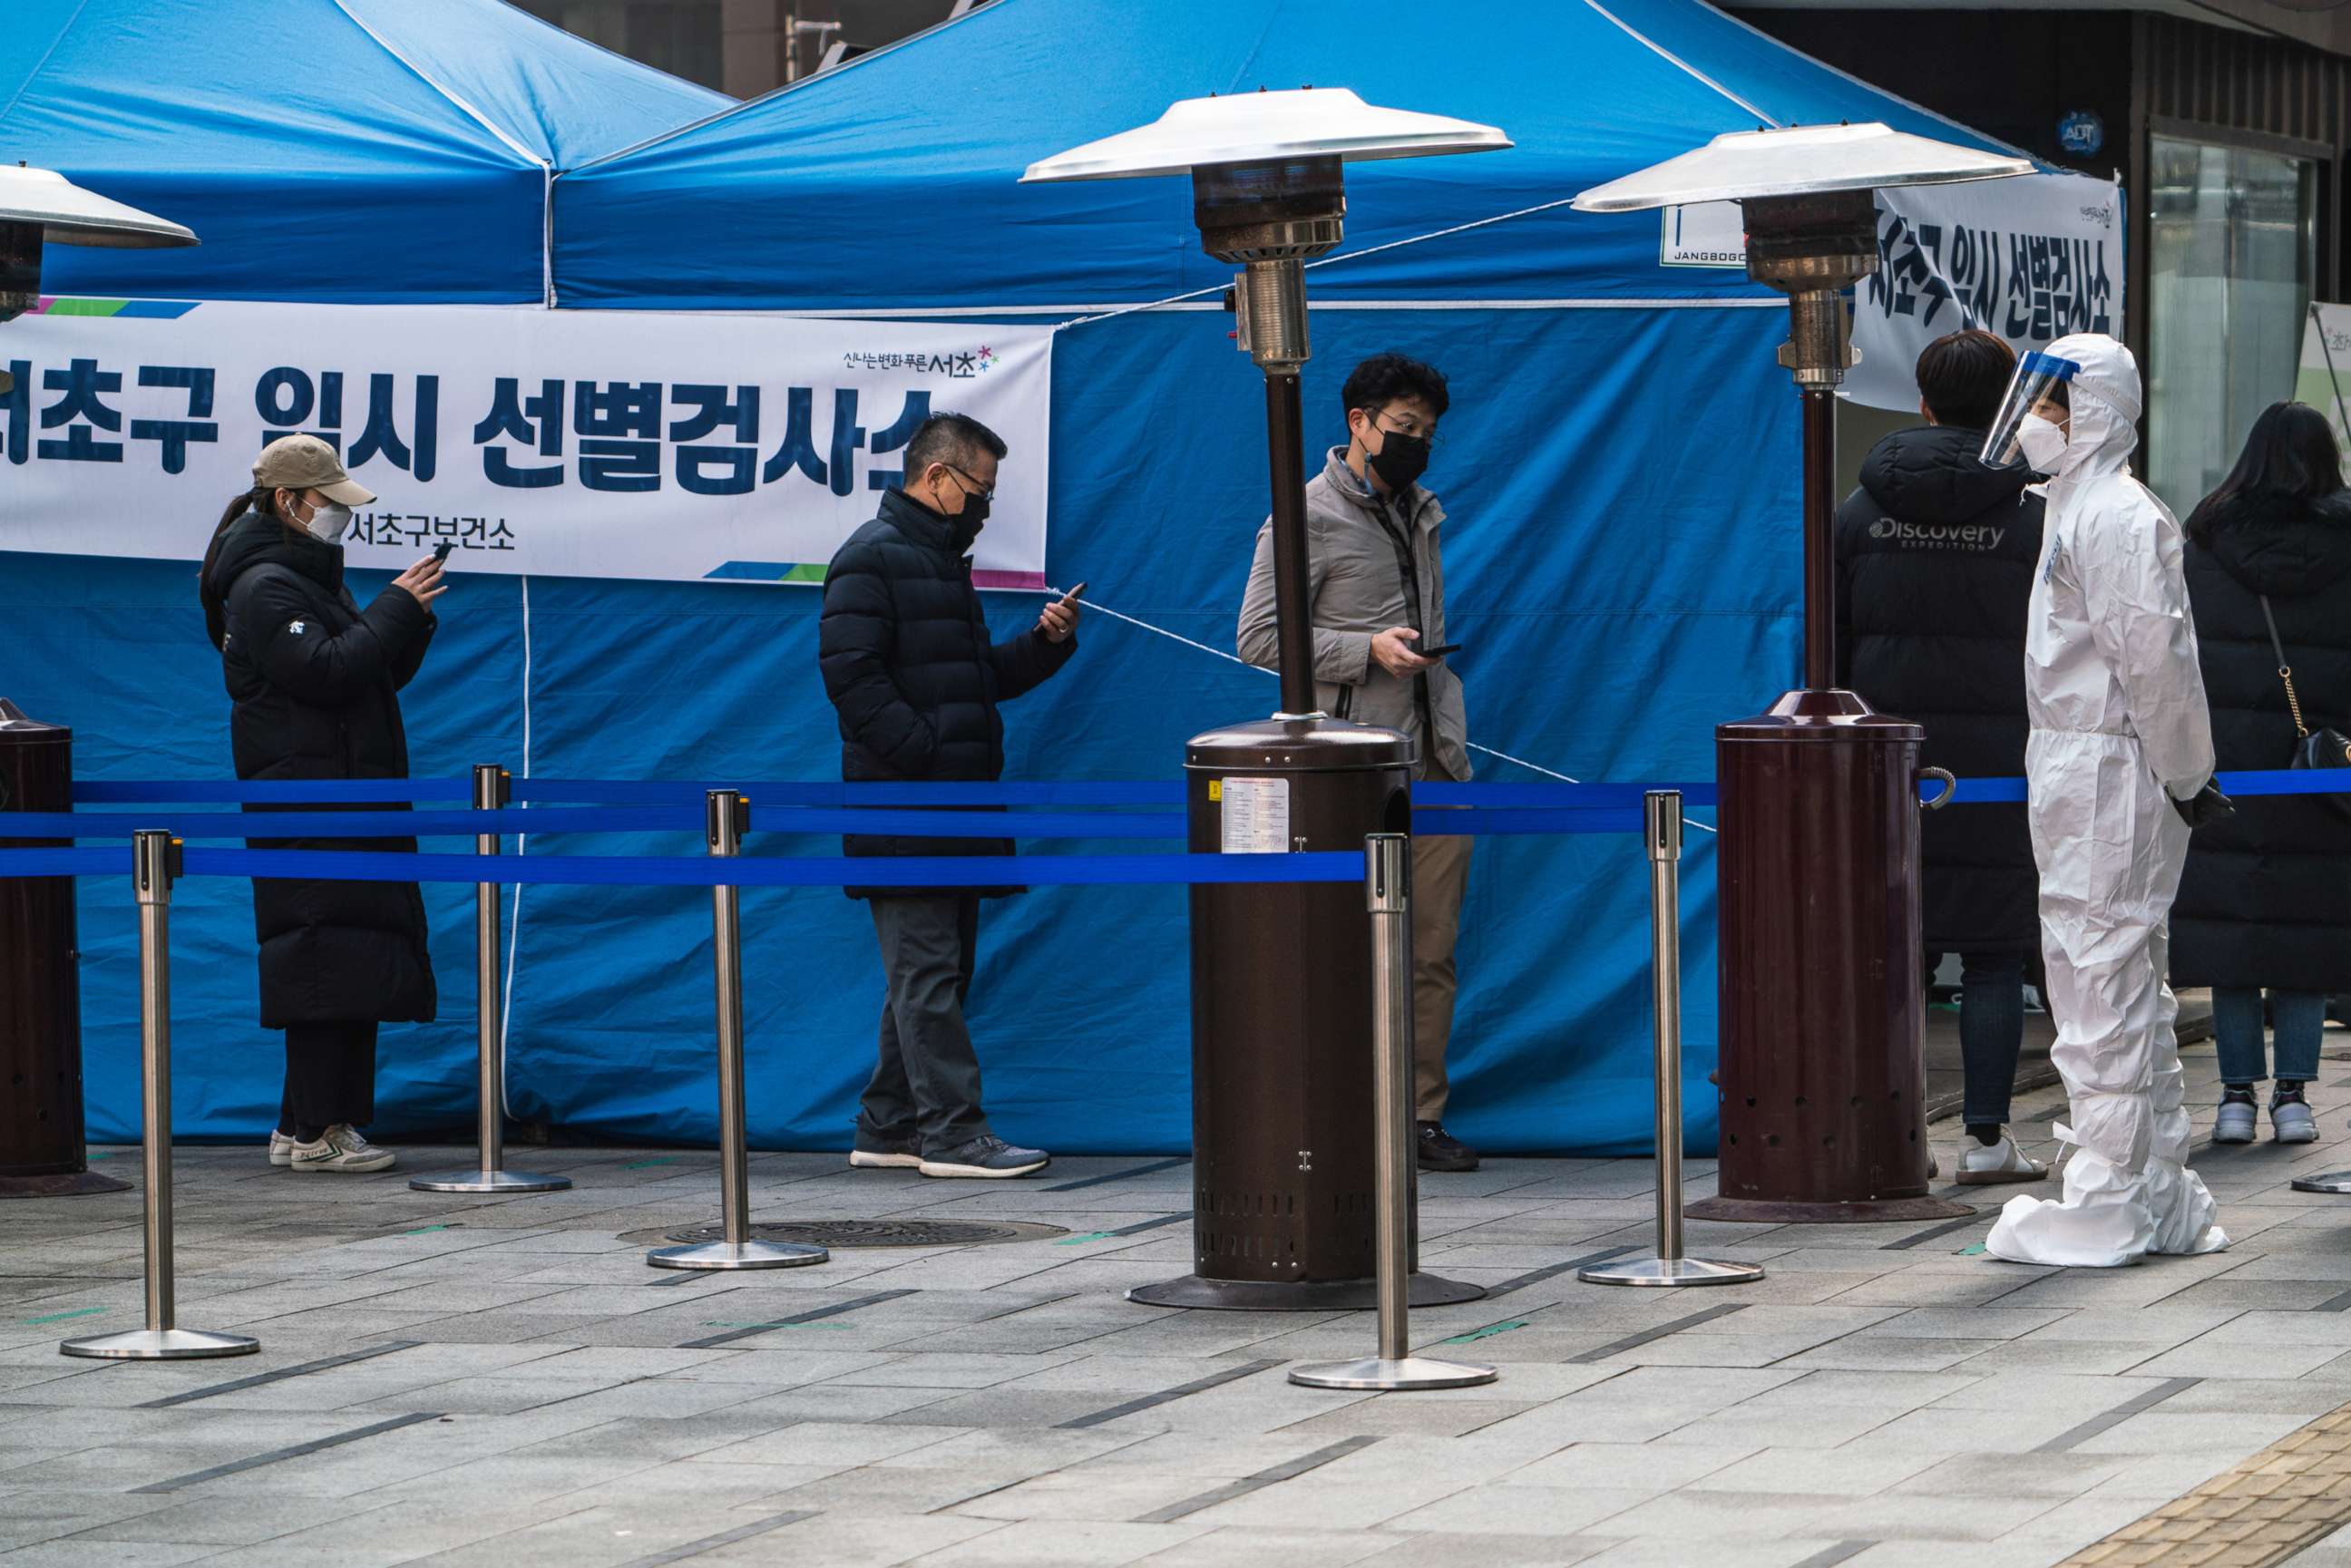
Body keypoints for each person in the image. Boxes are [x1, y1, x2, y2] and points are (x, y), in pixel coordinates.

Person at [1977, 335, 2231, 1268]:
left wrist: (2184, 770)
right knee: (2113, 973)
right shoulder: (2081, 508)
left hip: (2108, 766)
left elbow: (2154, 662)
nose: (2036, 423)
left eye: (2054, 405)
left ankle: (2112, 1198)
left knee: (2100, 979)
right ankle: (2150, 1189)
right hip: (2091, 762)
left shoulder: (2114, 515)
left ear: (2098, 412)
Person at [1236, 352, 1479, 1173]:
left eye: (1427, 433)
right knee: (1339, 949)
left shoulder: (1421, 510)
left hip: (1435, 759)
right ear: (1357, 424)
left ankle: (1418, 1116)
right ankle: (1335, 1114)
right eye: (1403, 429)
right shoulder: (1301, 516)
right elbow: (1259, 638)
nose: (1415, 445)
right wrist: (1363, 650)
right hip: (1348, 770)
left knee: (1432, 948)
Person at [819, 412, 1079, 1180]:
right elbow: (850, 679)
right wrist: (924, 757)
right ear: (936, 478)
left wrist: (1045, 643)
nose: (985, 504)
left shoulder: (938, 563)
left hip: (955, 804)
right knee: (927, 972)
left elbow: (975, 684)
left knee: (938, 972)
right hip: (910, 807)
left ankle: (889, 1123)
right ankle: (954, 1134)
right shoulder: (872, 556)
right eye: (979, 487)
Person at [1834, 329, 2048, 1186]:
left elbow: (1831, 650)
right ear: (2010, 407)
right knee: (1996, 951)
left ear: (1921, 402)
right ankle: (1988, 1140)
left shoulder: (1857, 513)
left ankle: (1893, 1140)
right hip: (2003, 768)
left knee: (1897, 950)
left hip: (1891, 771)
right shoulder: (2034, 517)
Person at [198, 434, 444, 1175]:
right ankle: (318, 1131)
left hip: (338, 793)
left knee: (343, 953)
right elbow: (326, 671)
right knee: (321, 958)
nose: (341, 517)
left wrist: (408, 617)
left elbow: (367, 675)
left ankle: (298, 1122)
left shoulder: (304, 579)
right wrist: (392, 611)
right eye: (329, 504)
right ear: (288, 502)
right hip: (306, 799)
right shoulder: (265, 585)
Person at [2173, 402, 2351, 1144]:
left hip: (2228, 762)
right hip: (2322, 767)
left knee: (2235, 931)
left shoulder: (2203, 542)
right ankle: (2296, 1098)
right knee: (2305, 935)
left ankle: (2236, 1097)